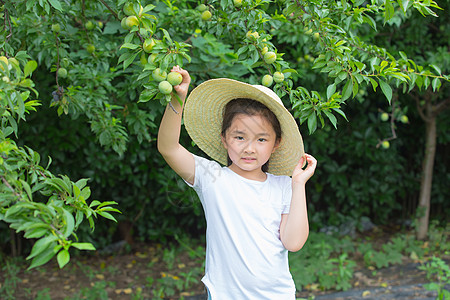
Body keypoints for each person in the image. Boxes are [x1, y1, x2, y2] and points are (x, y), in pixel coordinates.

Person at [157, 65, 317, 299]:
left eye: (261, 139)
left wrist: (298, 184)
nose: (249, 148)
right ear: (224, 139)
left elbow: (293, 242)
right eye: (239, 137)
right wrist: (177, 98)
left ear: (276, 143)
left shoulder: (283, 185)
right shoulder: (212, 177)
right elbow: (168, 148)